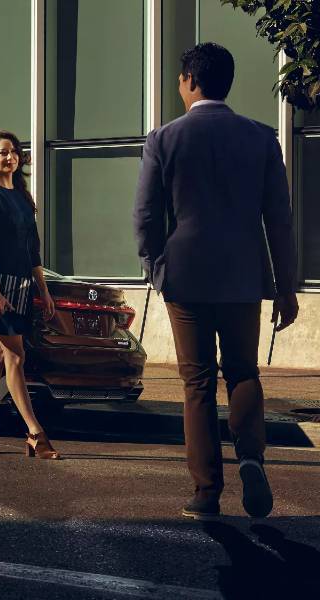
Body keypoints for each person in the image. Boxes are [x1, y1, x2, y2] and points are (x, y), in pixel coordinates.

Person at [133, 43, 299, 519]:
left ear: (189, 81)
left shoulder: (163, 139)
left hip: (185, 277)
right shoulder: (261, 137)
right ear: (227, 82)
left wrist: (155, 267)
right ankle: (250, 457)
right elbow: (280, 219)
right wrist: (285, 286)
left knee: (198, 382)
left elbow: (145, 215)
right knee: (244, 372)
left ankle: (207, 493)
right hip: (245, 275)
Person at [0, 130, 60, 460]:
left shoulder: (21, 195)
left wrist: (43, 291)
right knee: (15, 358)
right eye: (3, 152)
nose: (10, 157)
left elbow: (33, 250)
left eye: (14, 152)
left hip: (22, 286)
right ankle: (35, 433)